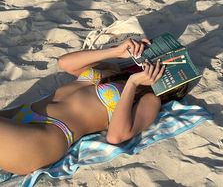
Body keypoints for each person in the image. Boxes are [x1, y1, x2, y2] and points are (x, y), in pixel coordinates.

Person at [0, 38, 187, 176]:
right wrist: (115, 51)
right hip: (26, 113)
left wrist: (133, 84)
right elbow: (65, 62)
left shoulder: (149, 99)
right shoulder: (113, 70)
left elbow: (116, 135)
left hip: (50, 135)